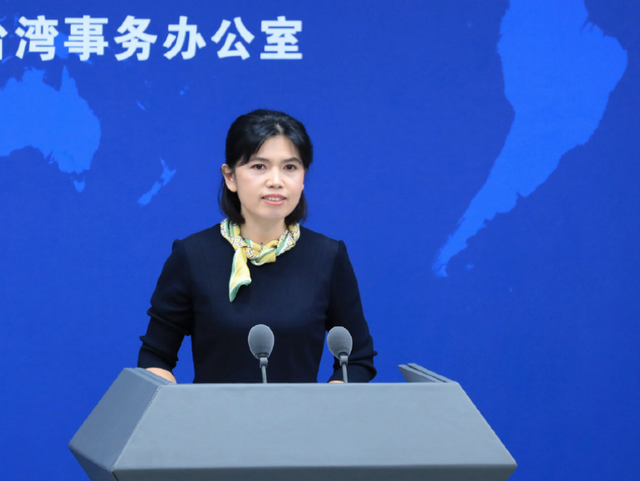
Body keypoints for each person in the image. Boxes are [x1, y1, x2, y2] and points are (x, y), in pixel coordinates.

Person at [137, 109, 376, 384]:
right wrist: (175, 403)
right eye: (259, 166)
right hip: (214, 412)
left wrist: (328, 402)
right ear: (230, 177)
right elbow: (155, 356)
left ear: (303, 178)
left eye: (290, 167)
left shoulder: (328, 256)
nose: (276, 181)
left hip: (303, 413)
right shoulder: (192, 256)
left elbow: (357, 359)